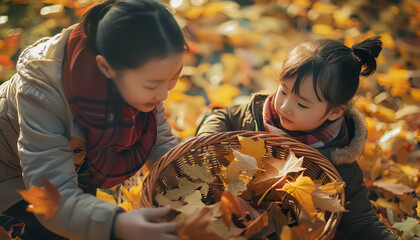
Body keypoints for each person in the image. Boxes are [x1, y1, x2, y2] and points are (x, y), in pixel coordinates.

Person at [0, 0, 186, 239]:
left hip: (74, 159)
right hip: (11, 172)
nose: (163, 95)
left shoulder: (139, 74)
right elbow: (51, 195)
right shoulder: (44, 94)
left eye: (173, 77)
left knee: (86, 216)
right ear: (106, 68)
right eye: (153, 84)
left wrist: (190, 184)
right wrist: (116, 224)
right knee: (57, 230)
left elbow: (160, 144)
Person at [196, 36, 399, 240]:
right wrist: (207, 141)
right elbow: (220, 116)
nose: (285, 107)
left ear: (334, 113)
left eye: (302, 104)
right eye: (283, 91)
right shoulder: (257, 116)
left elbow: (361, 222)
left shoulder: (341, 165)